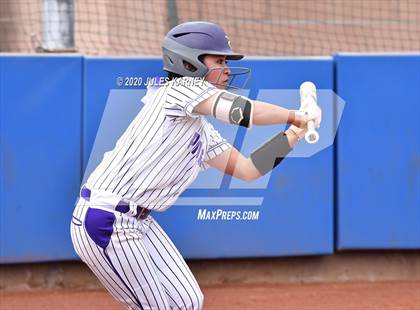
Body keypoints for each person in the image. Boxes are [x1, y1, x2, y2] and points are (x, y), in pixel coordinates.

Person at [70, 21, 321, 310]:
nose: (226, 68)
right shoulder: (179, 89)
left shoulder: (200, 130)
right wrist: (295, 115)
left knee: (188, 301)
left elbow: (249, 169)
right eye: (219, 60)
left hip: (139, 222)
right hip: (106, 220)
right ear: (189, 63)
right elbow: (245, 112)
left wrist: (293, 135)